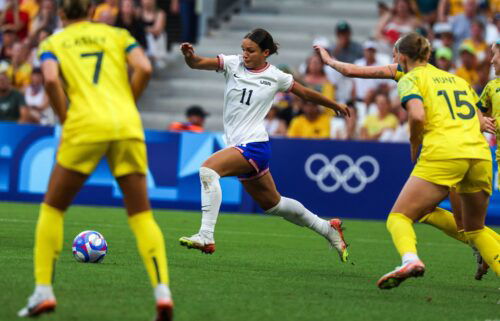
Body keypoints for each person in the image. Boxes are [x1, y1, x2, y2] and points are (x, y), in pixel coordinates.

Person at [17, 0, 173, 319]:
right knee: (141, 215)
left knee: (53, 208)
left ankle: (43, 291)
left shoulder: (53, 42)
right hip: (126, 124)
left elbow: (48, 79)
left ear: (61, 14)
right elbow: (144, 67)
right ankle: (162, 294)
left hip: (84, 125)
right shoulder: (116, 35)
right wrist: (128, 103)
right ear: (90, 12)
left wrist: (64, 117)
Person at [315, 36, 500, 281]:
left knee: (399, 217)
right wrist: (329, 61)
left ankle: (410, 259)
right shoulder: (456, 80)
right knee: (473, 229)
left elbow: (416, 115)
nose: (392, 60)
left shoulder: (410, 78)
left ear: (401, 56)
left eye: (394, 54)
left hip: (444, 153)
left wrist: (415, 145)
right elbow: (476, 117)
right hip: (479, 155)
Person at [178, 28, 351, 262]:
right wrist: (189, 56)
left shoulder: (276, 76)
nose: (245, 54)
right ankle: (327, 229)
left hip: (254, 145)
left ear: (265, 52)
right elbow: (197, 63)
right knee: (274, 204)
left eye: (250, 50)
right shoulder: (232, 64)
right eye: (243, 49)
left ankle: (206, 235)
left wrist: (334, 105)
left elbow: (306, 93)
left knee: (208, 170)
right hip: (242, 146)